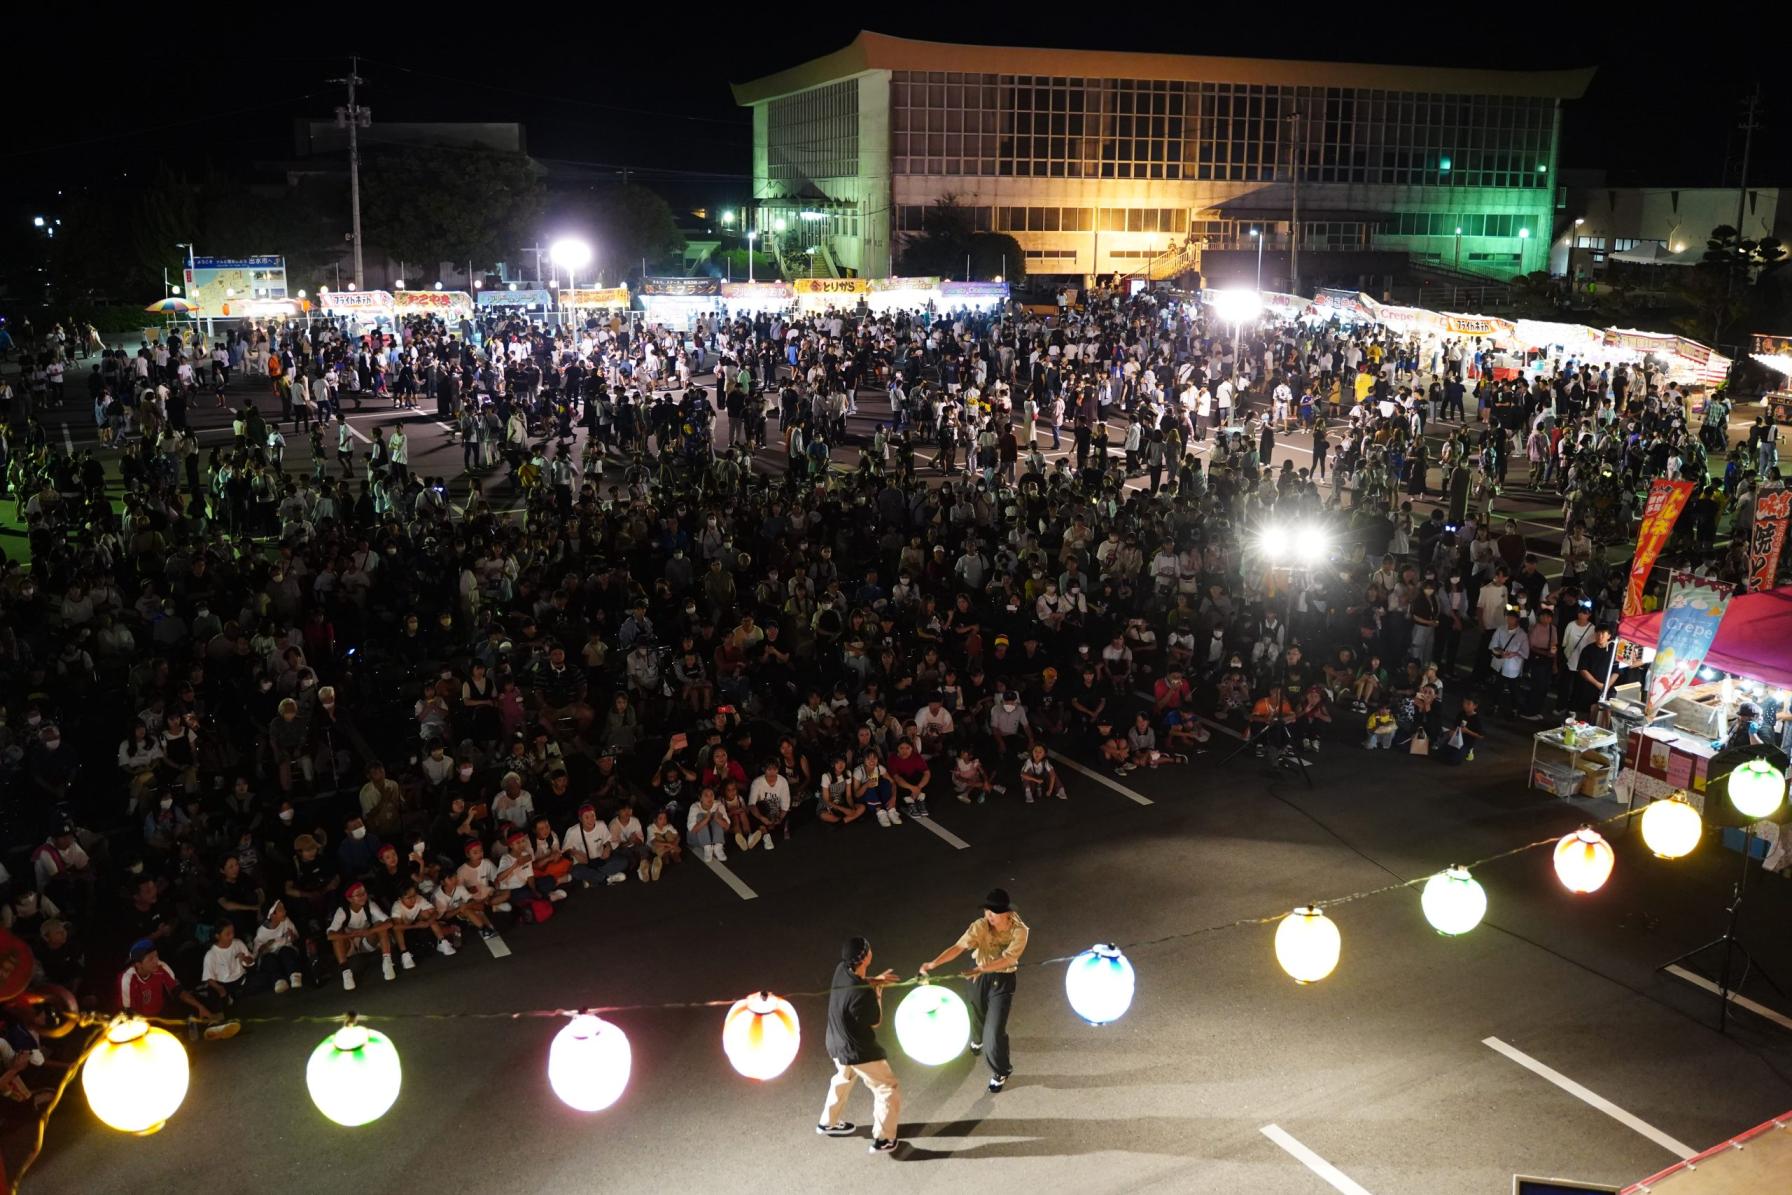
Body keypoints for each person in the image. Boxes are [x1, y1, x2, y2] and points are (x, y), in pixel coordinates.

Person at [918, 888, 1029, 1092]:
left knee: (994, 1031)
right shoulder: (980, 925)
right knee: (976, 1012)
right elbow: (958, 947)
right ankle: (976, 1040)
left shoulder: (1020, 931)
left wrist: (982, 969)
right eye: (987, 911)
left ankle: (1001, 1070)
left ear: (1007, 913)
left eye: (993, 912)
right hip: (978, 976)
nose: (989, 916)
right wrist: (934, 964)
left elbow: (1008, 959)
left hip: (1002, 979)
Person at [817, 935, 903, 1154]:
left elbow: (856, 983)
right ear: (866, 957)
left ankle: (828, 1121)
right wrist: (878, 991)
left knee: (843, 1077)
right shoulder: (861, 994)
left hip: (835, 1041)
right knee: (886, 1088)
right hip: (857, 1050)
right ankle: (884, 1139)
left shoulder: (841, 970)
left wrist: (875, 980)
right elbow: (875, 1020)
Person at [120, 940, 239, 1039]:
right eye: (150, 959)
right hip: (141, 1021)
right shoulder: (127, 979)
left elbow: (178, 991)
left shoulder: (161, 967)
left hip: (162, 1011)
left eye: (156, 956)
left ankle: (213, 1025)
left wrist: (200, 1007)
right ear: (138, 964)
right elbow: (128, 1014)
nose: (156, 961)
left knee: (194, 1002)